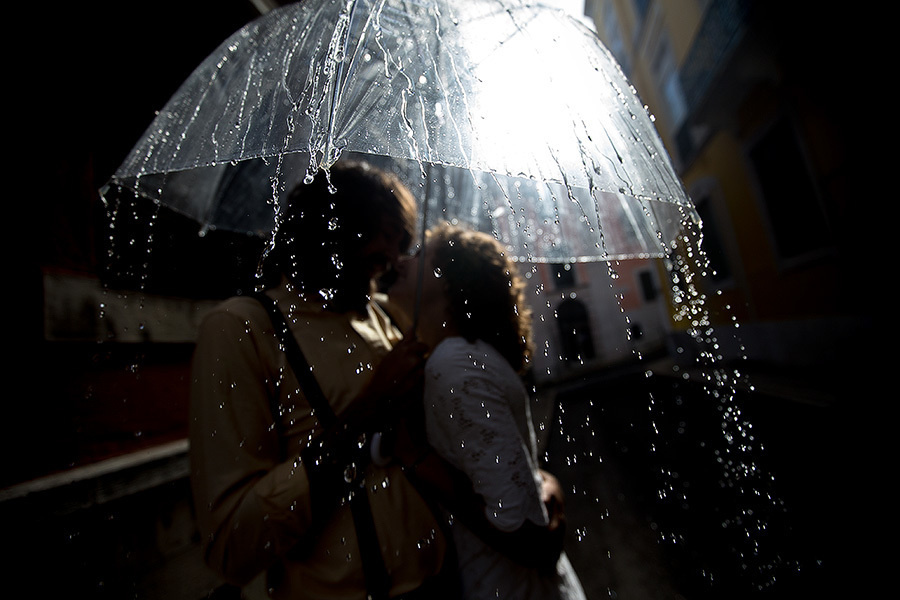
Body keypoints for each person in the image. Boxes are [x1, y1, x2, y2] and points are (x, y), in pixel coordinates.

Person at [189, 161, 454, 600]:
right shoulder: (242, 329)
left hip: (442, 581)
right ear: (331, 227)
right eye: (381, 233)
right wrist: (365, 412)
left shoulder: (384, 317)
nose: (391, 257)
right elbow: (232, 547)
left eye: (399, 239)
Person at [387, 223, 587, 600]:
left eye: (418, 257)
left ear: (449, 283)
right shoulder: (462, 356)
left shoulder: (455, 363)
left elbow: (527, 538)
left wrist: (418, 459)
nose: (399, 263)